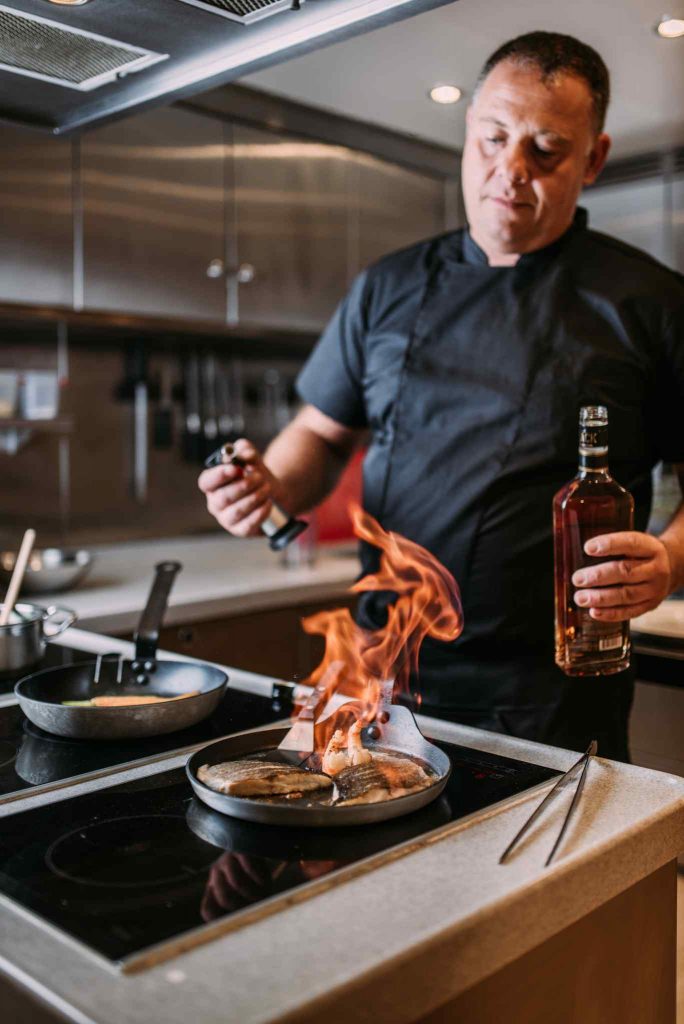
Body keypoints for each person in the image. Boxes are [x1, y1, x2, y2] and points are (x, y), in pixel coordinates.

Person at [199, 32, 684, 762]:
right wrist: (268, 486)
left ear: (594, 159)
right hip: (379, 675)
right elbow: (320, 436)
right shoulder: (388, 287)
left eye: (546, 149)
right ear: (468, 133)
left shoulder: (650, 303)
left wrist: (669, 562)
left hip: (549, 695)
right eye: (492, 138)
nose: (510, 171)